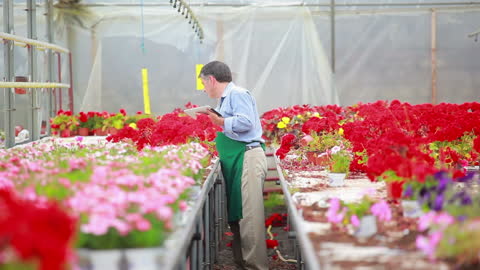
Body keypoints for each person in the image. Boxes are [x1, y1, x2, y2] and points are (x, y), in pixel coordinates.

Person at [199, 61, 268, 270]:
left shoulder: (237, 94)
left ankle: (256, 266)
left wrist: (220, 122)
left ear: (211, 79)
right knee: (238, 214)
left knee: (249, 216)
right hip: (239, 158)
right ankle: (243, 263)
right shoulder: (224, 100)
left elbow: (246, 122)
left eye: (203, 83)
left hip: (248, 156)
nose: (203, 88)